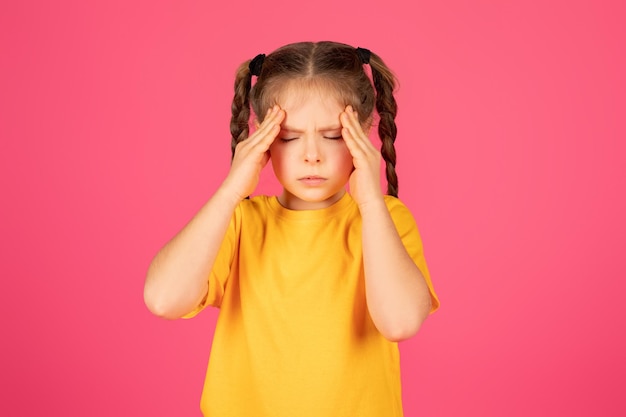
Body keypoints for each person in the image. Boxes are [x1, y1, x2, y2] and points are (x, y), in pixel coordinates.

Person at [144, 40, 440, 417]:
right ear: (263, 138)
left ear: (363, 133)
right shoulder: (240, 222)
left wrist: (369, 200)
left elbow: (399, 321)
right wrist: (232, 189)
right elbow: (163, 299)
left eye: (333, 135)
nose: (311, 154)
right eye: (289, 136)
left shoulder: (385, 220)